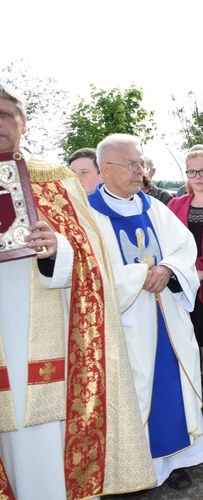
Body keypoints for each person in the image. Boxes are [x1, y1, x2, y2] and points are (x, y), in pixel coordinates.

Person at [0, 84, 155, 499]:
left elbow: (92, 256)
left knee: (46, 436)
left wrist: (57, 249)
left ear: (23, 122)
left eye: (5, 114)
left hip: (48, 331)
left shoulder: (55, 178)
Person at [88, 133, 203, 489]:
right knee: (132, 393)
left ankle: (174, 462)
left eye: (140, 163)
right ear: (104, 169)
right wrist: (141, 274)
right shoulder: (89, 215)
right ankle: (132, 472)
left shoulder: (153, 207)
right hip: (124, 324)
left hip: (165, 317)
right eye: (130, 164)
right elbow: (90, 270)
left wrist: (169, 269)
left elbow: (183, 247)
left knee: (170, 387)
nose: (138, 171)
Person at [168, 150, 203, 425]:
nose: (198, 177)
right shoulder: (174, 205)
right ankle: (187, 404)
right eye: (192, 172)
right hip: (178, 284)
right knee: (181, 344)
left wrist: (198, 276)